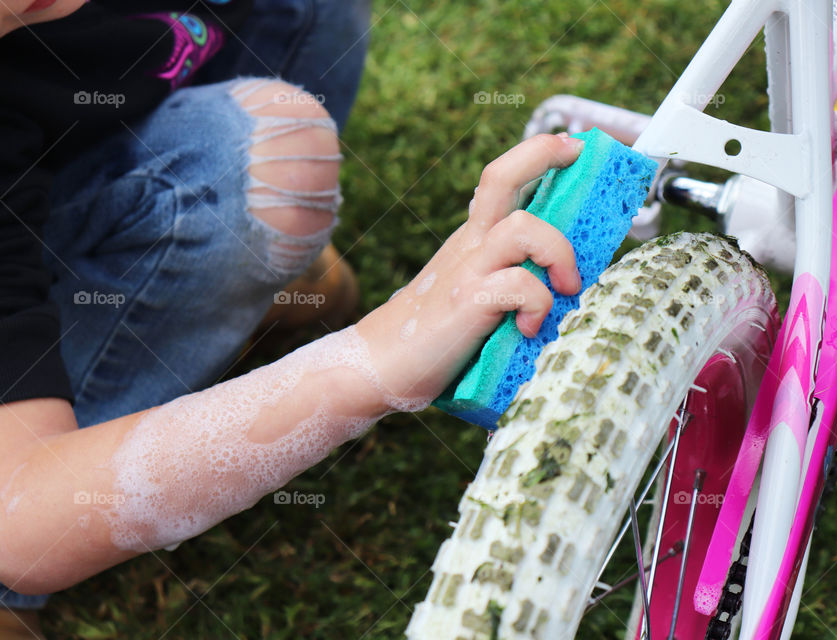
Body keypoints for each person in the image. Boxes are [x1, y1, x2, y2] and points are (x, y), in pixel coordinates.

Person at [0, 1, 584, 637]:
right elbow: (21, 516)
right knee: (274, 161)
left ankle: (226, 269)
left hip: (79, 132)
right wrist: (373, 358)